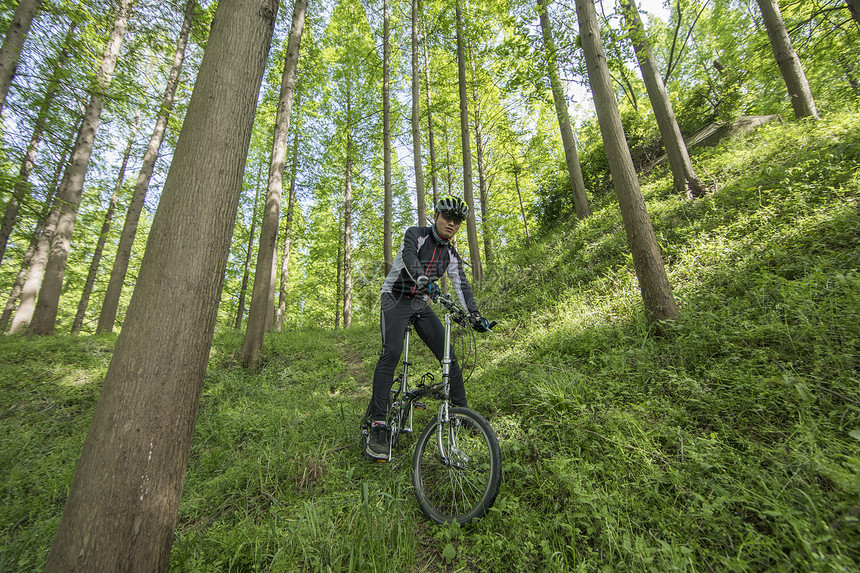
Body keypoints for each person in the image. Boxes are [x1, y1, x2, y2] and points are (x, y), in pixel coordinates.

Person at [365, 196, 493, 461]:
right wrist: (423, 278)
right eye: (447, 217)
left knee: (449, 353)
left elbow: (462, 286)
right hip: (395, 297)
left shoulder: (451, 255)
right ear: (436, 215)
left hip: (420, 303)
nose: (452, 224)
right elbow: (410, 257)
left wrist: (475, 316)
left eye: (457, 221)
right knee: (392, 352)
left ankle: (462, 413)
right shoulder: (416, 234)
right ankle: (378, 425)